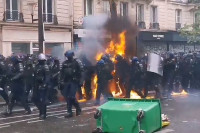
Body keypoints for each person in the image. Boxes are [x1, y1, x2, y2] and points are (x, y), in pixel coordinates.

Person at [60, 51, 82, 118]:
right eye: (67, 56)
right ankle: (70, 112)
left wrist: (81, 80)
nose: (68, 57)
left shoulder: (76, 63)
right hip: (66, 81)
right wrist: (61, 81)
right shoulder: (64, 63)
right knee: (67, 97)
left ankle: (77, 108)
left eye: (69, 56)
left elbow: (81, 72)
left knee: (71, 96)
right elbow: (61, 73)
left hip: (74, 81)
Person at [32, 53, 50, 120]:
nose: (41, 61)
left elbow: (47, 77)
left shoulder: (45, 67)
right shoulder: (36, 66)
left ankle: (43, 114)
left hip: (43, 85)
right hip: (36, 85)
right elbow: (34, 76)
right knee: (34, 99)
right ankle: (41, 110)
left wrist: (44, 84)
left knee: (43, 100)